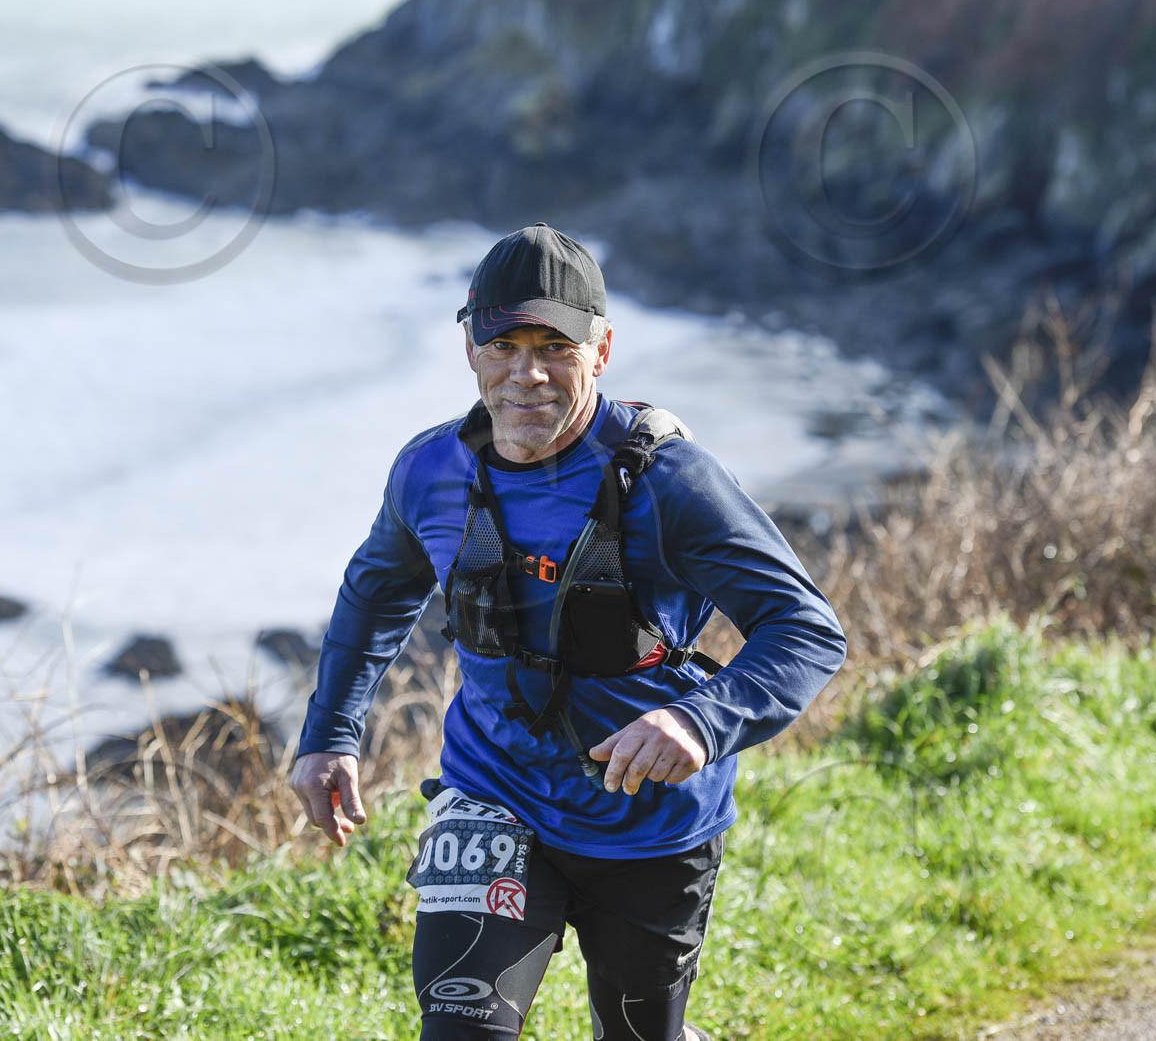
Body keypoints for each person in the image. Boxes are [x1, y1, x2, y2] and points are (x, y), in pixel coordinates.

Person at [290, 223, 846, 1040]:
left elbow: (806, 629)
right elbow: (374, 594)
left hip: (649, 820)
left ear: (602, 350)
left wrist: (699, 722)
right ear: (470, 349)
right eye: (504, 346)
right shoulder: (430, 471)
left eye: (556, 347)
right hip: (493, 794)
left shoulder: (673, 484)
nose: (528, 374)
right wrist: (329, 734)